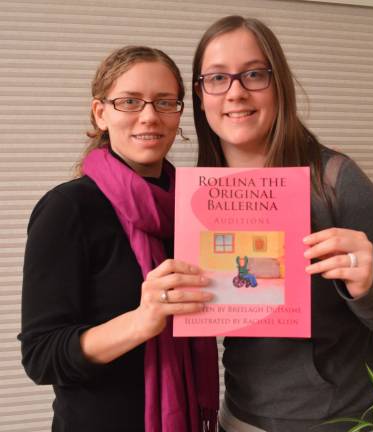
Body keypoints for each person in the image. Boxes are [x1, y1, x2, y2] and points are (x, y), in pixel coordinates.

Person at [191, 15, 373, 432]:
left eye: (254, 74)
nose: (236, 92)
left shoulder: (335, 179)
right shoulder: (196, 197)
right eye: (217, 78)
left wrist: (369, 286)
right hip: (241, 419)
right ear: (200, 93)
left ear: (278, 82)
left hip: (347, 421)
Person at [18, 45, 219, 432]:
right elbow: (41, 356)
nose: (149, 116)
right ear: (101, 113)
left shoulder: (200, 208)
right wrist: (141, 322)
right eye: (130, 101)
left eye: (165, 102)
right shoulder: (68, 209)